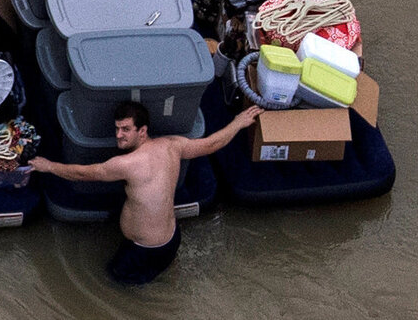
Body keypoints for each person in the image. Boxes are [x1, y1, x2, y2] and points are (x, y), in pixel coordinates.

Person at [29, 101, 265, 285]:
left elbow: (83, 174)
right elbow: (211, 144)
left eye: (126, 129)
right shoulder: (173, 145)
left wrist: (49, 167)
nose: (119, 134)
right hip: (171, 239)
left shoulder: (126, 164)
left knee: (113, 285)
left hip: (145, 251)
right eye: (117, 128)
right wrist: (237, 122)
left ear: (142, 131)